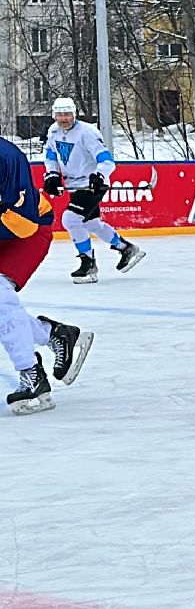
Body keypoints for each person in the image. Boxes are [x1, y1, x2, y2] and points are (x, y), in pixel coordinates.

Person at [0, 137, 92, 414]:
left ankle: (31, 373)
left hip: (26, 229)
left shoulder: (6, 158)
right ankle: (55, 334)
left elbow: (24, 224)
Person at [43, 96, 144, 283]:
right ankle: (125, 248)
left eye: (67, 114)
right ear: (54, 115)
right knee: (91, 224)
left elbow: (106, 160)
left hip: (92, 185)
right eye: (60, 115)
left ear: (74, 114)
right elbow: (50, 155)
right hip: (74, 185)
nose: (63, 118)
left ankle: (88, 264)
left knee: (71, 218)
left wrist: (98, 175)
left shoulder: (87, 132)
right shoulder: (53, 131)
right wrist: (51, 175)